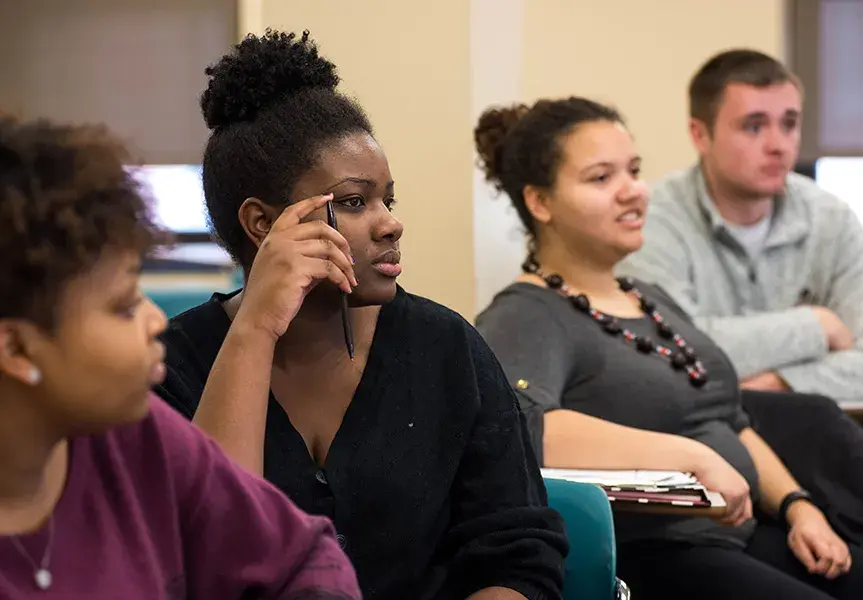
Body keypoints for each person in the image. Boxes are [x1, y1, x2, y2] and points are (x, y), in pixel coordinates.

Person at [153, 29, 567, 600]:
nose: (389, 223)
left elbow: (516, 556)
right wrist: (254, 330)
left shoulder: (445, 348)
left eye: (386, 200)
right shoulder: (171, 365)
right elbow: (206, 557)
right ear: (259, 224)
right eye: (353, 202)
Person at [472, 96, 863, 599]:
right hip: (656, 554)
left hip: (744, 535)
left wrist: (797, 507)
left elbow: (726, 416)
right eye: (601, 178)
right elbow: (524, 424)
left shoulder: (650, 299)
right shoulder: (526, 312)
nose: (633, 191)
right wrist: (688, 457)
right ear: (540, 203)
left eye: (634, 170)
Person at [0, 115, 361, 599]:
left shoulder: (138, 438)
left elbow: (301, 556)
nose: (154, 320)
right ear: (17, 348)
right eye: (124, 306)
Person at [616, 49, 863, 400]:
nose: (778, 145)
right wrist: (815, 326)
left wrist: (782, 383)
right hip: (694, 442)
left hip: (817, 433)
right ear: (700, 135)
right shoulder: (651, 220)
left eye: (790, 123)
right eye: (754, 126)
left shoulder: (831, 219)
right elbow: (661, 354)